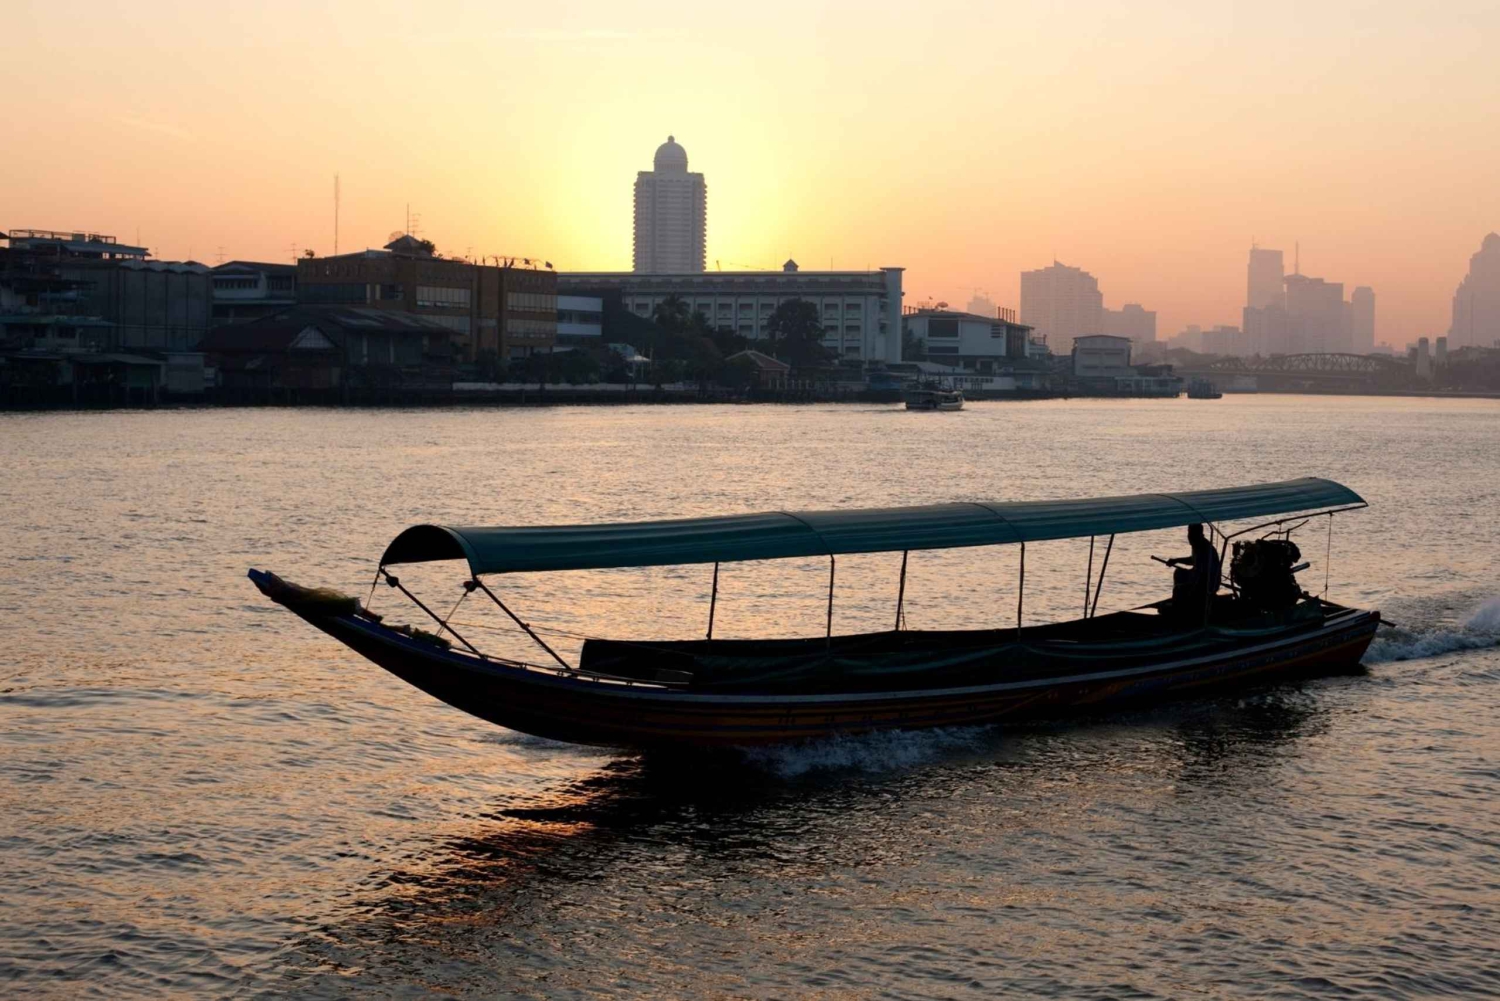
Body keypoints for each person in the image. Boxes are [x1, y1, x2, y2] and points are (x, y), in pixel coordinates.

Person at [1166, 523, 1222, 624]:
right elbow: (1193, 560)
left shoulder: (1204, 548)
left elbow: (1200, 574)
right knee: (1179, 572)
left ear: (1198, 534)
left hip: (1208, 583)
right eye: (1188, 533)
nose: (1188, 537)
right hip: (1199, 577)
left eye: (1191, 534)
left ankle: (1180, 614)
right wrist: (1176, 560)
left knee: (1179, 590)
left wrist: (1190, 590)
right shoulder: (1196, 545)